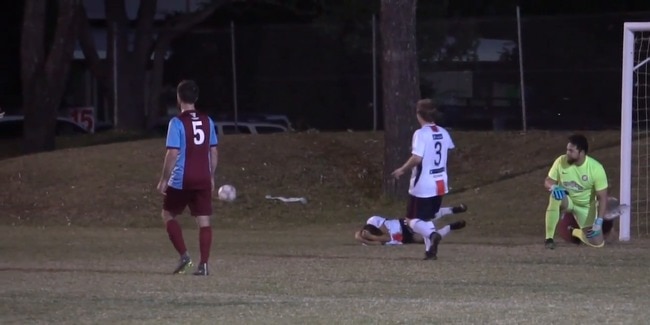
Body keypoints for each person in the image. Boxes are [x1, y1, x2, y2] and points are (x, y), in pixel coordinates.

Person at [156, 80, 218, 275]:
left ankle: (184, 257)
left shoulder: (177, 122)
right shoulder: (208, 121)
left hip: (182, 179)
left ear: (178, 98)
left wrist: (164, 179)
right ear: (196, 98)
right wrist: (211, 175)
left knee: (168, 214)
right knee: (204, 221)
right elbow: (213, 151)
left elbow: (172, 153)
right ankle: (204, 265)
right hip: (202, 178)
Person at [391, 99, 456, 260]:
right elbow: (448, 151)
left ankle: (433, 235)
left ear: (418, 114)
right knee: (426, 218)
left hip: (423, 184)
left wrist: (402, 169)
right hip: (440, 183)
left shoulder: (420, 134)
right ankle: (430, 252)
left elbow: (417, 158)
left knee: (410, 220)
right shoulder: (443, 132)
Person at [543, 134, 608, 249]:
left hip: (585, 207)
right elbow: (548, 181)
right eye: (567, 149)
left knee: (598, 244)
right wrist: (554, 187)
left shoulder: (596, 168)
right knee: (555, 196)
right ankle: (549, 239)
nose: (567, 153)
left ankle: (575, 232)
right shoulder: (561, 161)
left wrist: (599, 222)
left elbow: (602, 197)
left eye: (571, 151)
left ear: (581, 152)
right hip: (568, 200)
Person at [354, 204, 468, 245]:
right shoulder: (370, 239)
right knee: (430, 238)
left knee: (427, 216)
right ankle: (451, 227)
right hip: (404, 239)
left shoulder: (373, 220)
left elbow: (387, 236)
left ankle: (453, 210)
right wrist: (368, 239)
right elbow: (384, 240)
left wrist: (366, 237)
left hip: (403, 225)